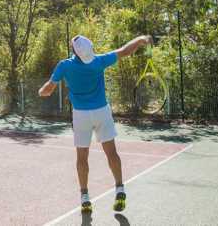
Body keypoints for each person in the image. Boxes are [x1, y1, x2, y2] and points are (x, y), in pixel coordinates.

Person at [38, 34, 153, 213]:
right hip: (102, 112)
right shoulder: (99, 61)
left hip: (81, 116)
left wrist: (41, 91)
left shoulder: (64, 65)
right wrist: (140, 39)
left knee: (82, 158)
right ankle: (120, 189)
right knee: (111, 153)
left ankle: (84, 197)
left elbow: (47, 90)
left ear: (74, 51)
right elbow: (125, 50)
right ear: (90, 49)